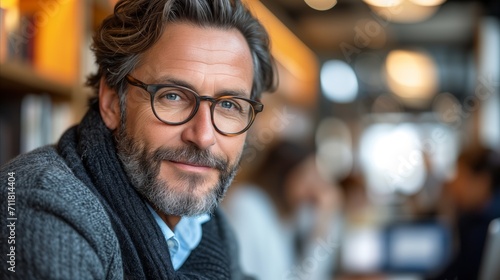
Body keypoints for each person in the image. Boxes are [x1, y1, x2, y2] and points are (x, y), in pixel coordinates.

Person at [0, 0, 275, 279]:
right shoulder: (42, 208)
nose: (203, 137)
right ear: (111, 102)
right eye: (173, 96)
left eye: (229, 105)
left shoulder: (208, 228)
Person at [224, 141, 342, 280]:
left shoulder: (290, 215)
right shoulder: (247, 206)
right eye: (306, 176)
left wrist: (324, 219)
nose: (313, 187)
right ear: (283, 174)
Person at [428, 146, 500, 280]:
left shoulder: (485, 225)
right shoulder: (470, 218)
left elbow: (463, 272)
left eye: (461, 176)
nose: (454, 183)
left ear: (482, 181)